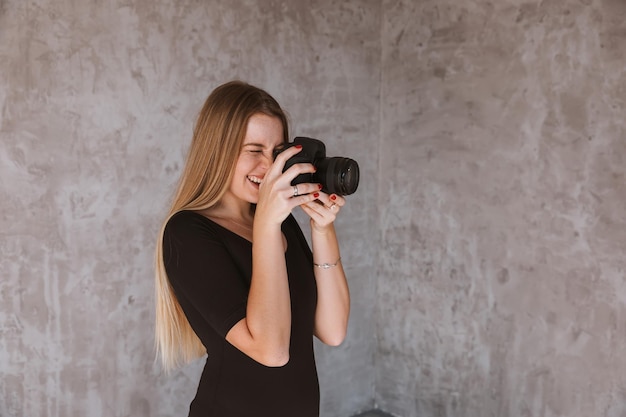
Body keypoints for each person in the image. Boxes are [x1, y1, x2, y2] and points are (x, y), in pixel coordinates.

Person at [154, 80, 350, 417]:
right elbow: (271, 351)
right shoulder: (187, 232)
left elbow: (332, 330)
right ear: (218, 150)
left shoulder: (277, 220)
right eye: (254, 150)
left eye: (275, 152)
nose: (268, 167)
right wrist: (267, 227)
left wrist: (322, 229)